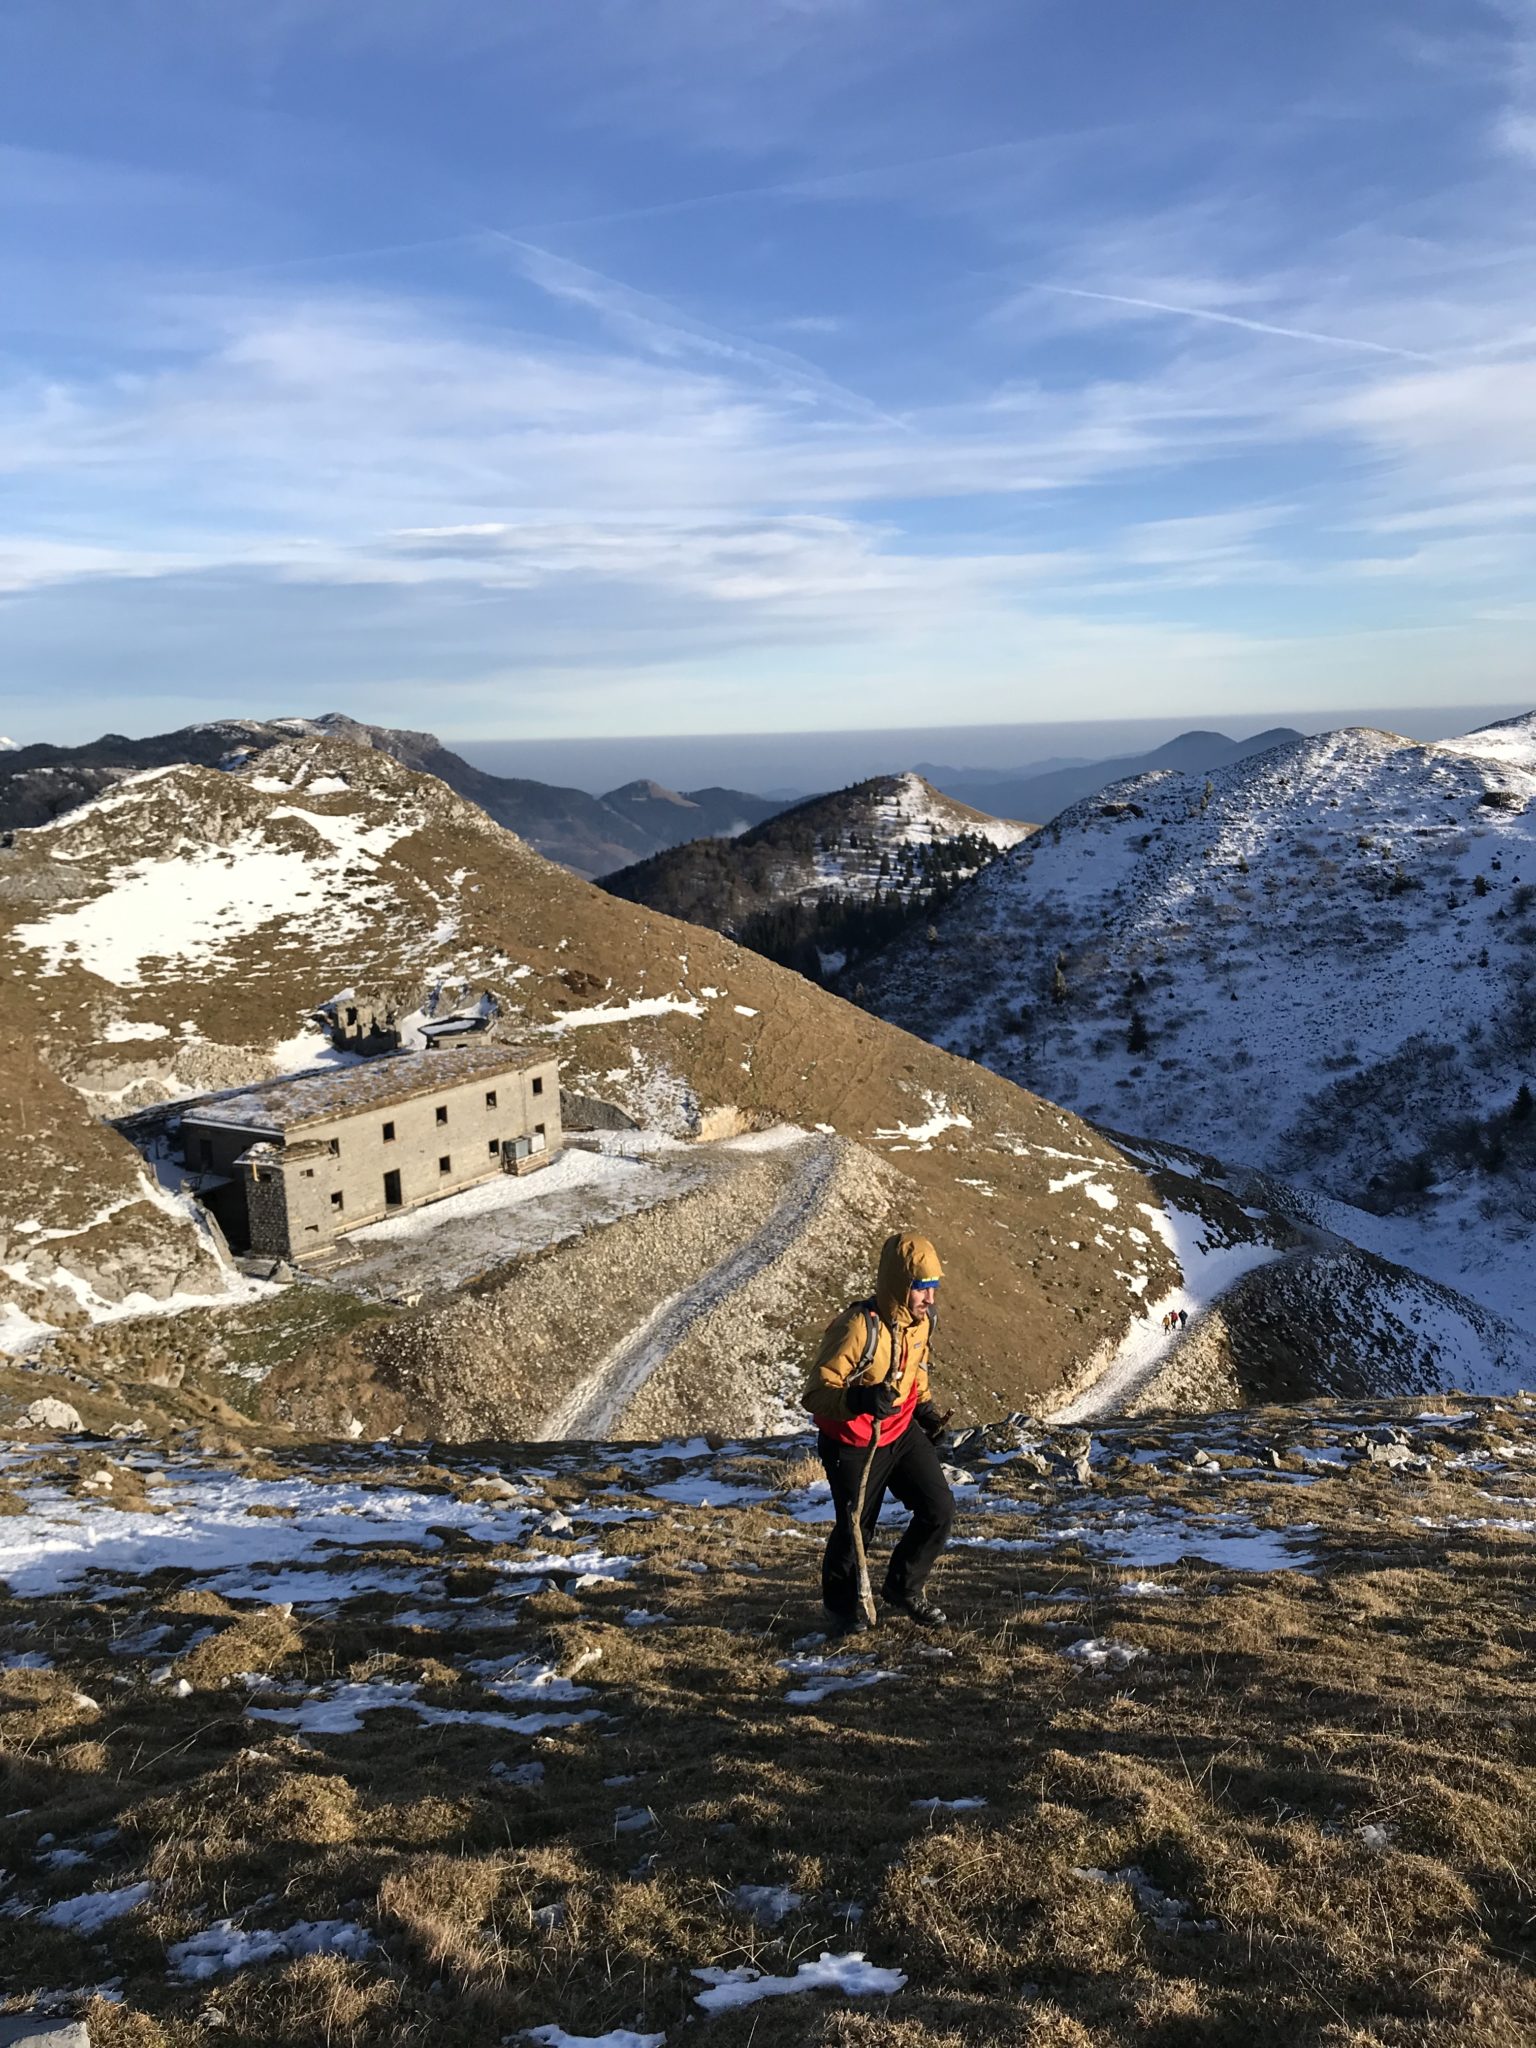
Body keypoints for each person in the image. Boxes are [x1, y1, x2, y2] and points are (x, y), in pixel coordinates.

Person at [802, 1231, 954, 1635]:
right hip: (852, 1443)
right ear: (900, 1285)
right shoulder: (857, 1327)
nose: (930, 1299)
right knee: (855, 1531)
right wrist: (859, 1401)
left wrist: (924, 1410)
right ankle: (840, 1612)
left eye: (933, 1288)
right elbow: (815, 1394)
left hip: (900, 1432)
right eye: (922, 1289)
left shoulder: (923, 1322)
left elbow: (916, 1367)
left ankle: (904, 1588)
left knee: (938, 1508)